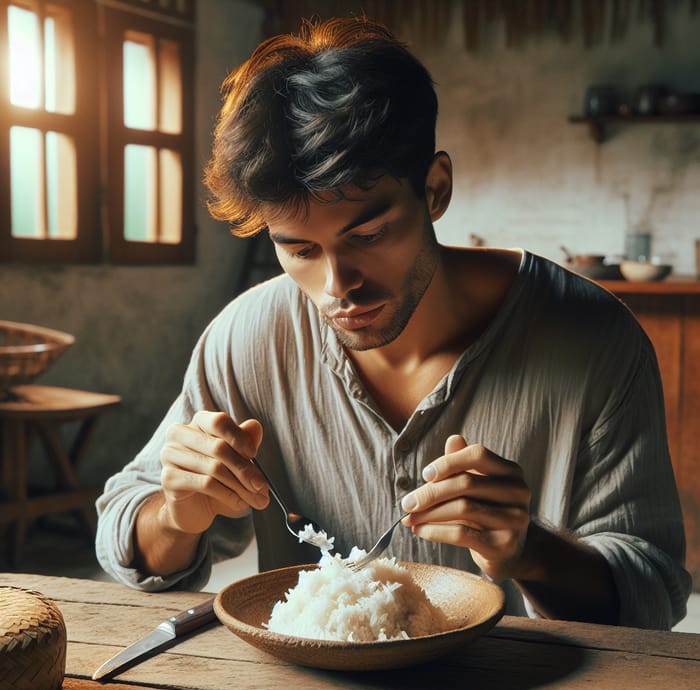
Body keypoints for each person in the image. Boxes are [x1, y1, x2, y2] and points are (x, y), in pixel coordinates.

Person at [95, 15, 691, 630]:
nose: (337, 287)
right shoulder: (246, 338)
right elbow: (122, 530)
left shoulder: (596, 339)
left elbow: (654, 593)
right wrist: (175, 514)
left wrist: (528, 551)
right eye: (299, 250)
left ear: (435, 190)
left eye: (369, 234)